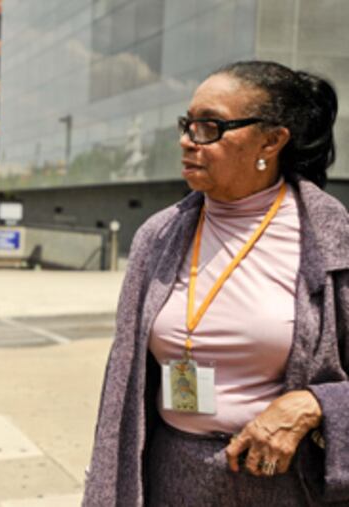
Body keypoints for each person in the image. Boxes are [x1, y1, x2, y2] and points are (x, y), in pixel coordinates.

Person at [82, 60, 349, 506]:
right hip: (173, 481)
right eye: (187, 125)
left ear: (272, 139)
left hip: (284, 486)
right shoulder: (159, 235)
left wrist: (316, 404)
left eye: (211, 127)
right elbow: (123, 392)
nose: (188, 141)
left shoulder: (331, 239)